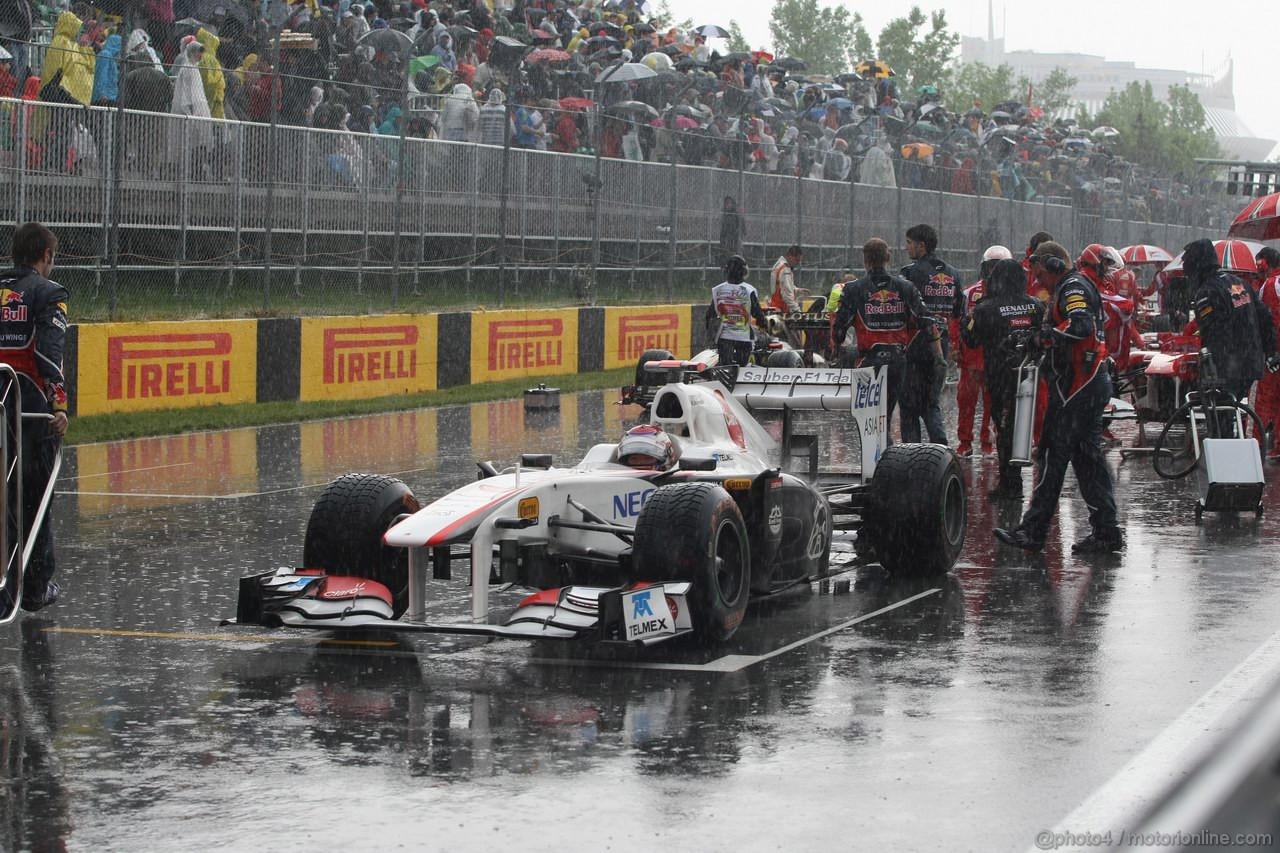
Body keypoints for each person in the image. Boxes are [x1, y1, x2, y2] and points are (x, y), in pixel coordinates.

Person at [994, 241, 1123, 554]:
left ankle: (1033, 531)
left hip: (1077, 388)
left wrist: (1040, 337)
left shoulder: (1073, 286)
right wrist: (1035, 338)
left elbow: (1080, 326)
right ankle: (1106, 532)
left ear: (1053, 265)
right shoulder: (1072, 286)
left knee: (1052, 458)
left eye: (1038, 273)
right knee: (1088, 460)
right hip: (1088, 383)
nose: (1036, 281)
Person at [0, 223, 70, 613]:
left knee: (2, 497)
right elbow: (48, 355)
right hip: (25, 408)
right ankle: (35, 588)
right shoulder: (49, 293)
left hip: (0, 405)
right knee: (34, 497)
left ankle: (5, 586)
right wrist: (58, 404)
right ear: (46, 255)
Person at [832, 238, 940, 445]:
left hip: (867, 363)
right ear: (888, 258)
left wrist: (837, 346)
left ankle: (882, 463)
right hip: (897, 362)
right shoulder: (905, 287)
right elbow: (927, 322)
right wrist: (936, 355)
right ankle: (888, 460)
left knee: (868, 420)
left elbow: (839, 329)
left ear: (864, 260)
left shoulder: (854, 288)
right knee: (886, 416)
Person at [962, 258, 1044, 499]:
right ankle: (1017, 481)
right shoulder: (1036, 305)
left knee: (1004, 427)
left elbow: (971, 339)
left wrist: (969, 318)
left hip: (1000, 375)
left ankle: (1011, 484)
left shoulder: (986, 308)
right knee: (1024, 424)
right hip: (1030, 373)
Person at [1181, 238, 1279, 423]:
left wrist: (1210, 371)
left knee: (1219, 417)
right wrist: (1271, 351)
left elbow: (1212, 336)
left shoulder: (1207, 291)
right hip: (1250, 364)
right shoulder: (1239, 283)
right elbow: (1265, 316)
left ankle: (1223, 445)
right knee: (1231, 411)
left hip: (1228, 366)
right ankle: (1233, 442)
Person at [900, 224, 962, 445]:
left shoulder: (909, 272)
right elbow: (958, 312)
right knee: (931, 402)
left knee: (908, 404)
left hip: (915, 344)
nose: (906, 248)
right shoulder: (953, 274)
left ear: (921, 246)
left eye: (909, 243)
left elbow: (901, 309)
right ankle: (941, 449)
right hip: (940, 346)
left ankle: (911, 451)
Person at [955, 246, 1008, 457]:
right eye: (991, 266)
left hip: (997, 359)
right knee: (966, 402)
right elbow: (956, 320)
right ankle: (965, 442)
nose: (994, 271)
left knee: (992, 404)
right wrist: (954, 347)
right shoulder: (969, 292)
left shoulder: (1012, 296)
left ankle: (988, 444)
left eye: (998, 266)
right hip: (970, 357)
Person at [707, 254, 768, 366]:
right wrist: (763, 324)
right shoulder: (749, 290)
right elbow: (757, 313)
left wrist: (711, 335)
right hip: (743, 339)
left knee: (726, 366)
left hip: (724, 338)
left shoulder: (718, 290)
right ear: (744, 271)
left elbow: (710, 315)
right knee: (741, 367)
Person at [1254, 247, 1280, 460]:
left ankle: (1257, 446)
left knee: (1265, 400)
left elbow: (1265, 322)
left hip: (1274, 355)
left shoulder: (1270, 286)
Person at [769, 245, 804, 312]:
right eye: (797, 260)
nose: (798, 263)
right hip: (782, 311)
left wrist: (797, 290)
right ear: (790, 256)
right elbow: (786, 295)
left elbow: (780, 286)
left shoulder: (778, 265)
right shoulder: (785, 269)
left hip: (775, 307)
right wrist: (798, 311)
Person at [718, 196, 745, 264]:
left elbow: (742, 228)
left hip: (735, 241)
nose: (728, 205)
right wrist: (722, 240)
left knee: (736, 257)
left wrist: (737, 235)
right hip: (727, 241)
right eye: (726, 203)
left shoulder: (736, 215)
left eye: (729, 203)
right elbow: (723, 229)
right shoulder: (724, 215)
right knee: (727, 258)